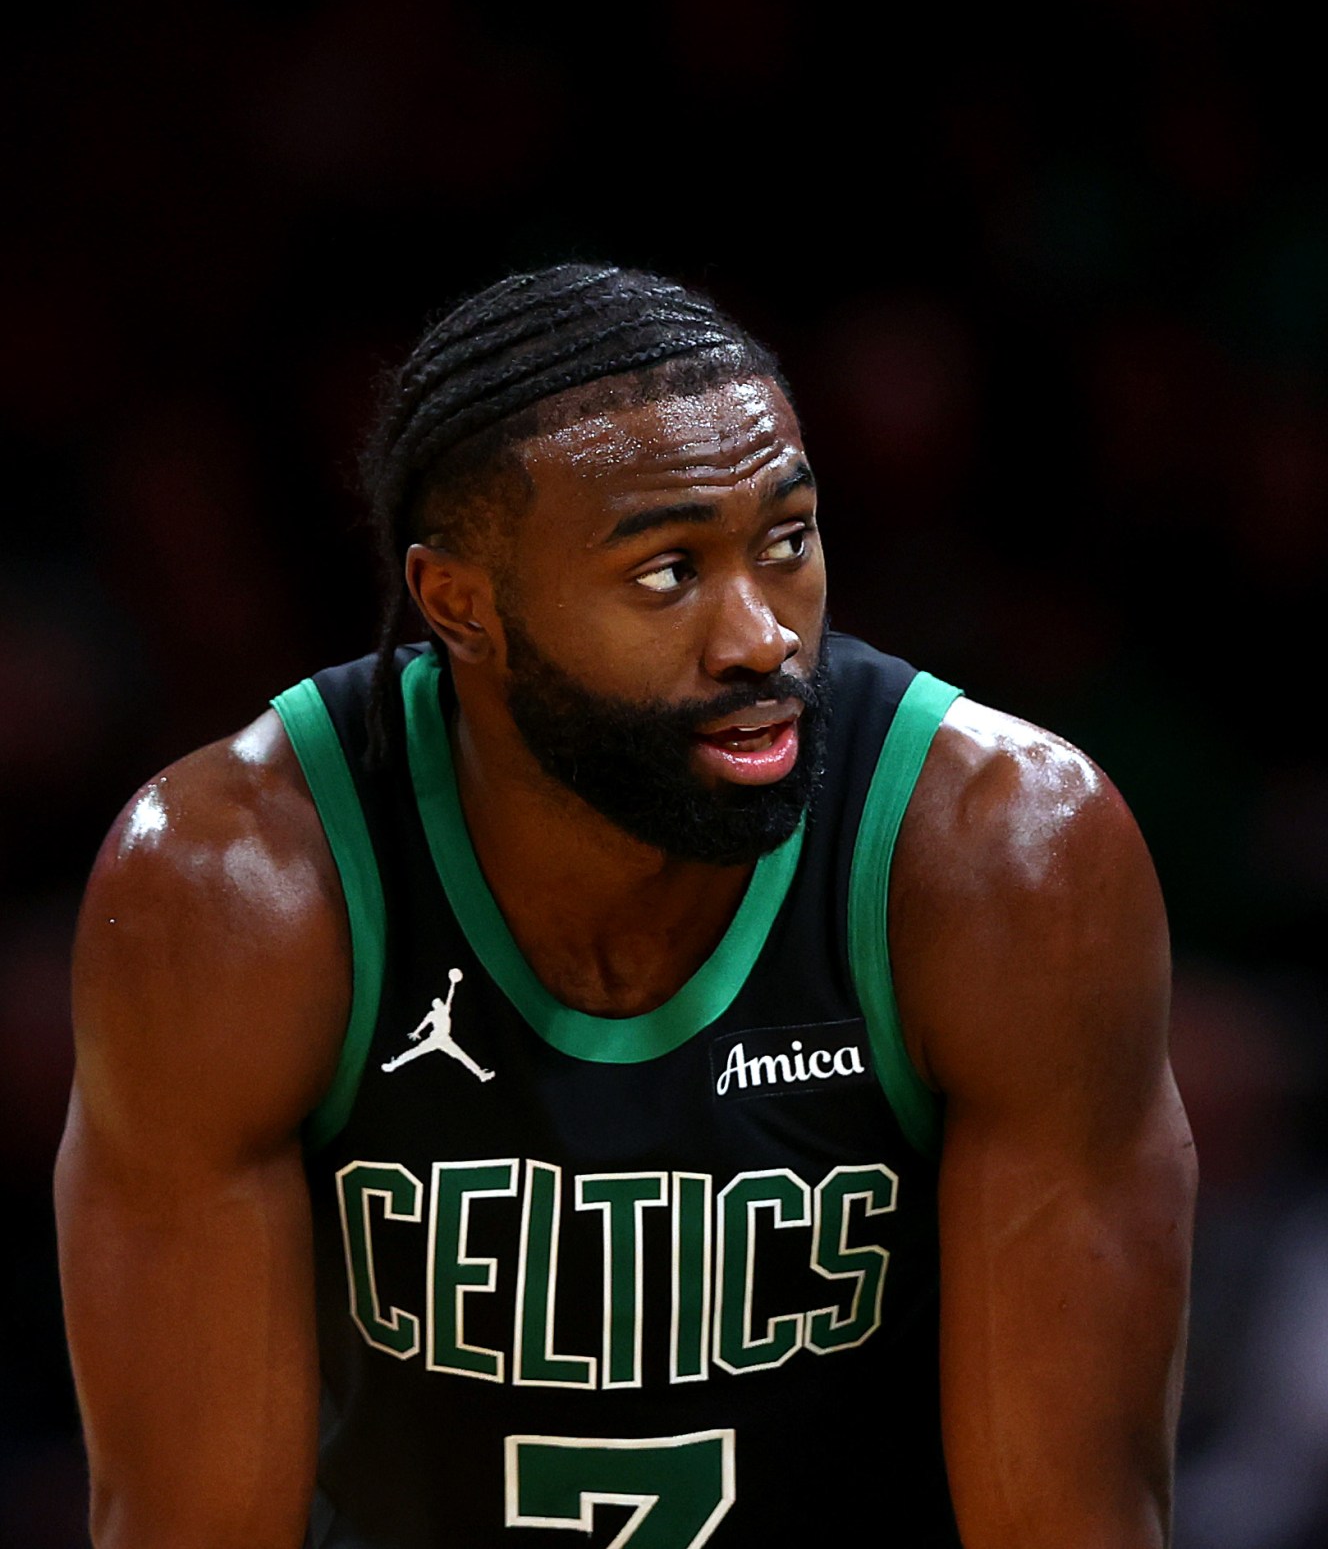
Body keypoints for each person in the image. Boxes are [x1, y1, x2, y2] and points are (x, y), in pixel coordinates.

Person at [56, 265, 1196, 1548]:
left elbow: (1065, 1524)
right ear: (462, 606)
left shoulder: (1006, 858)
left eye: (787, 541)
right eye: (667, 572)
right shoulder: (231, 889)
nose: (761, 638)